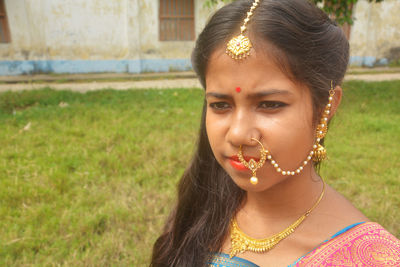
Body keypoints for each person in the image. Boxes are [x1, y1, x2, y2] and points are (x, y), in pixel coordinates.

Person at [150, 0, 400, 266]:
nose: (237, 134)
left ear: (326, 108)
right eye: (220, 105)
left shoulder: (372, 257)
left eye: (270, 105)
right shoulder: (199, 214)